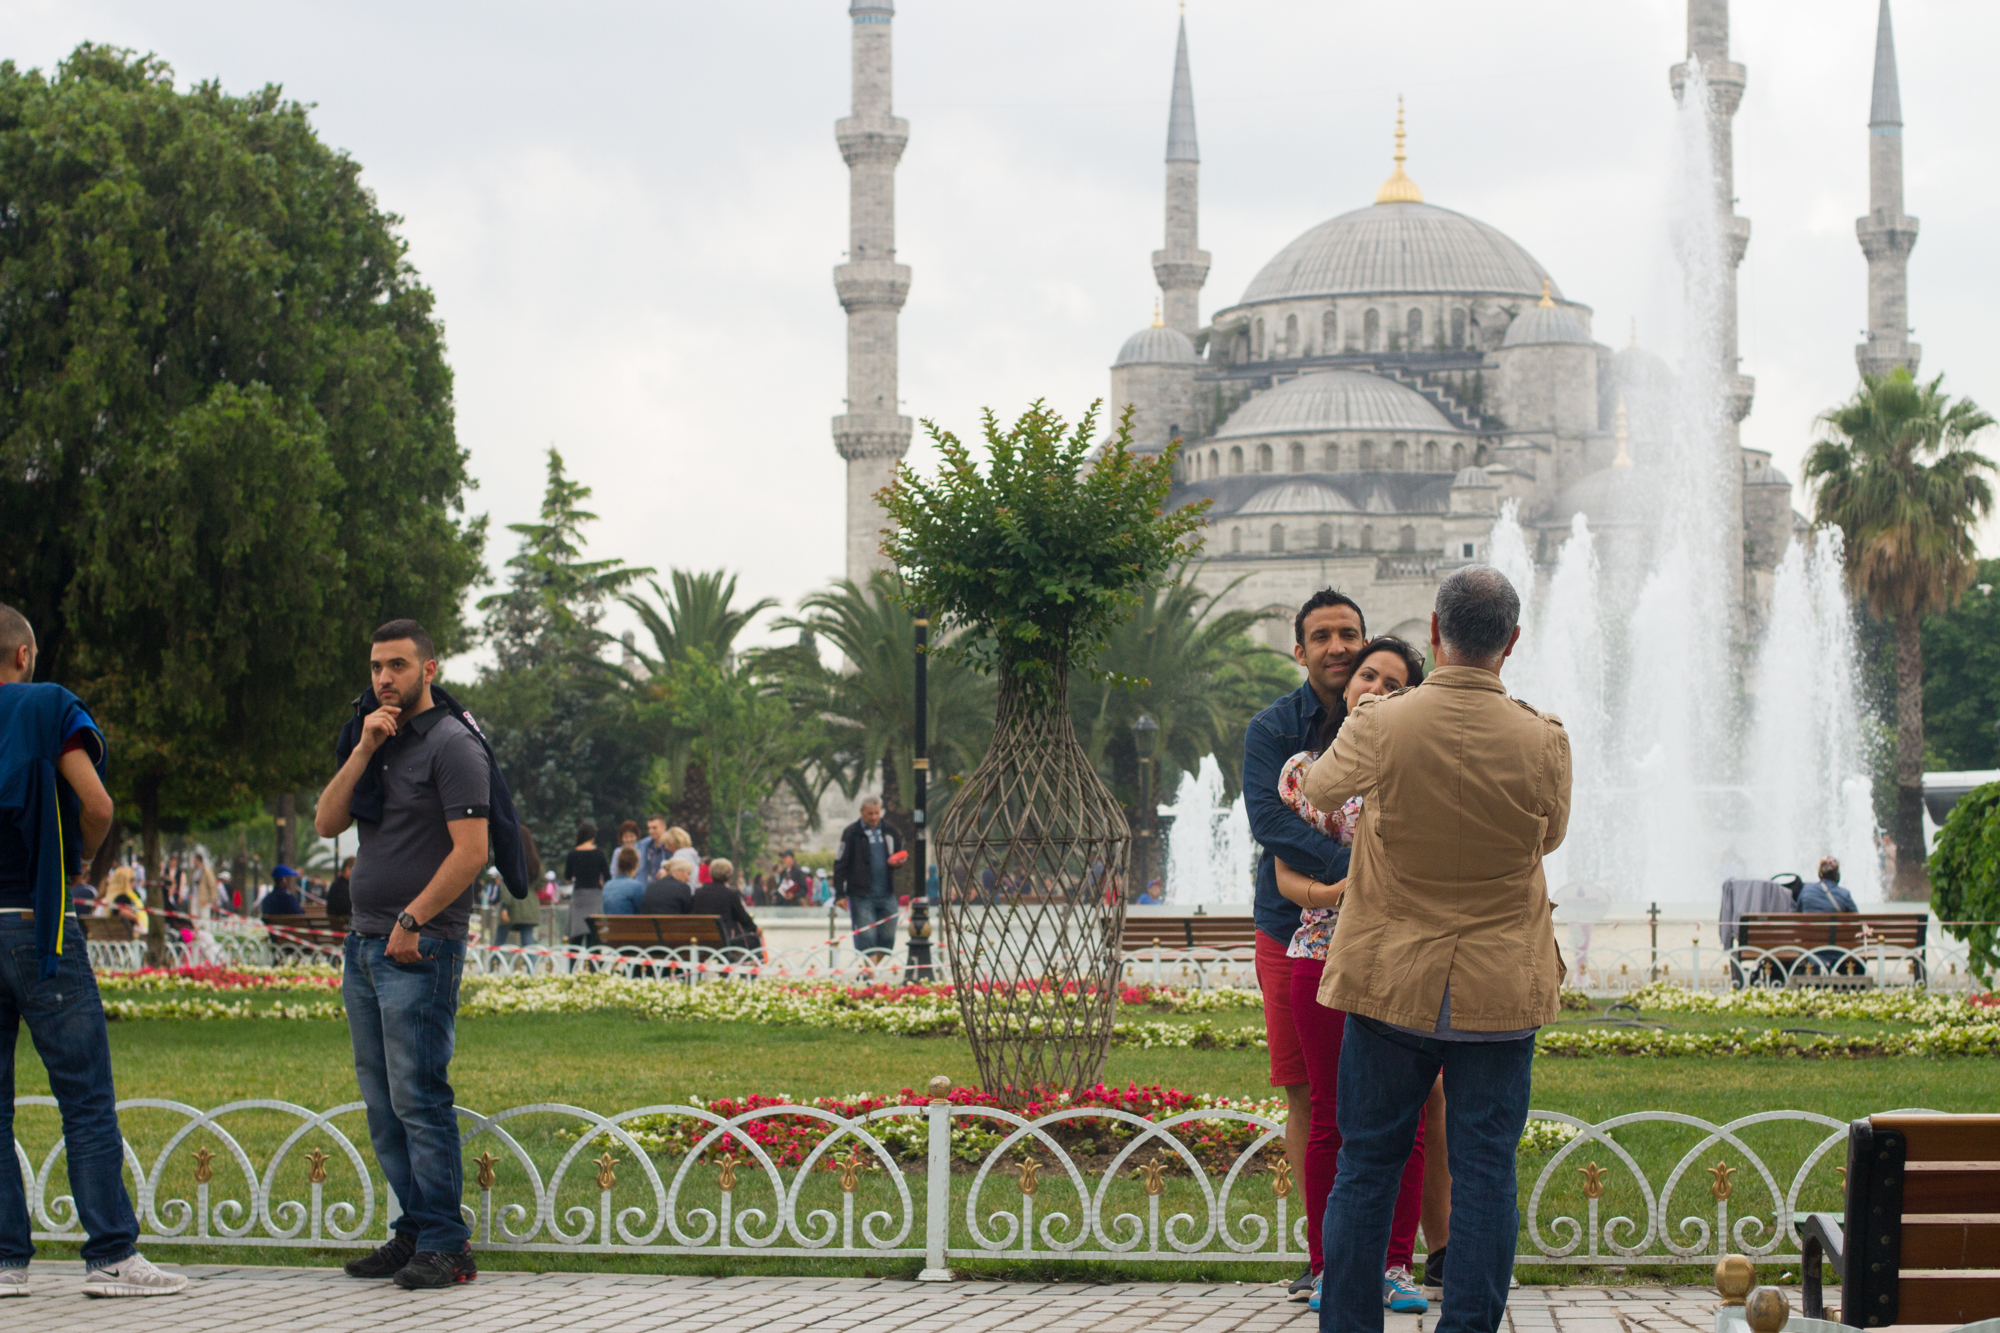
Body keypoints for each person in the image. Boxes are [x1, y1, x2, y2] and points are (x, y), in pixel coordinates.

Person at [1303, 566, 1569, 1333]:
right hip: (1497, 987)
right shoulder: (1543, 737)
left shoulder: (1382, 722)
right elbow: (1550, 834)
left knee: (1367, 1163)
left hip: (1391, 977)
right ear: (1511, 642)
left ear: (1433, 630)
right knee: (1485, 1170)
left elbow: (1319, 790)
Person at [0, 604, 188, 1298]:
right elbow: (99, 804)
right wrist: (73, 862)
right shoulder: (47, 704)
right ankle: (111, 1254)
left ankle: (6, 1263)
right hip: (36, 925)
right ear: (24, 654)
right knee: (83, 1098)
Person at [314, 619, 488, 1290]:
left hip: (420, 942)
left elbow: (471, 853)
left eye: (397, 665)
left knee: (419, 1095)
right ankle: (414, 1230)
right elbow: (327, 822)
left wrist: (413, 919)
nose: (384, 678)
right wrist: (362, 748)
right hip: (365, 943)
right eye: (375, 666)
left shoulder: (453, 744)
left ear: (429, 669)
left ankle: (447, 1243)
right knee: (383, 1102)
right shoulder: (375, 740)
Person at [1272, 637, 1441, 1313]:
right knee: (1330, 1117)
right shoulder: (1304, 772)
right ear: (1347, 687)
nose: (1374, 688)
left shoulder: (1424, 769)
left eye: (1393, 683)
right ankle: (1328, 1268)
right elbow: (1285, 872)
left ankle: (1395, 1265)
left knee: (1407, 1119)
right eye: (1367, 675)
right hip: (1321, 955)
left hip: (1403, 958)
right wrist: (1342, 890)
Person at [1242, 589, 1366, 1303]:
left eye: (1348, 633)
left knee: (1424, 1095)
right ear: (1300, 650)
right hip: (1289, 928)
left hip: (1389, 929)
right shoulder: (1273, 729)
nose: (1337, 647)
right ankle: (1323, 1254)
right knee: (1309, 1095)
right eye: (1322, 636)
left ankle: (1428, 1250)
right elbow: (1269, 820)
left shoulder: (1395, 716)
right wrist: (1358, 871)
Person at [832, 797, 907, 960]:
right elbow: (840, 863)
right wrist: (840, 894)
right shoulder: (851, 832)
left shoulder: (889, 830)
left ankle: (870, 970)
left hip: (887, 894)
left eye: (877, 813)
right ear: (862, 813)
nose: (874, 817)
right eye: (870, 814)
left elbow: (897, 852)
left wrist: (898, 862)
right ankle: (871, 972)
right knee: (867, 937)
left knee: (888, 937)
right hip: (861, 896)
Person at [692, 857, 761, 950]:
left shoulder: (698, 893)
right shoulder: (731, 894)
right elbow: (742, 917)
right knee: (754, 940)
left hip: (702, 942)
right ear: (729, 875)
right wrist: (755, 928)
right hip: (725, 942)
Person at [563, 823, 611, 947]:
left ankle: (574, 959)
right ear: (592, 836)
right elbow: (607, 876)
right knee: (594, 935)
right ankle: (593, 958)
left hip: (579, 896)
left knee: (576, 935)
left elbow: (567, 877)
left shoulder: (572, 853)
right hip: (595, 896)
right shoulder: (599, 853)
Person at [602, 847, 646, 915]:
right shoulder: (636, 886)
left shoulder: (607, 885)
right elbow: (643, 911)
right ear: (636, 865)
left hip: (610, 922)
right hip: (628, 922)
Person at [631, 815, 673, 886]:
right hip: (649, 888)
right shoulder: (645, 846)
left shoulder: (671, 845)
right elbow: (641, 871)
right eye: (649, 828)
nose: (651, 831)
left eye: (654, 828)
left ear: (663, 827)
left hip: (667, 887)